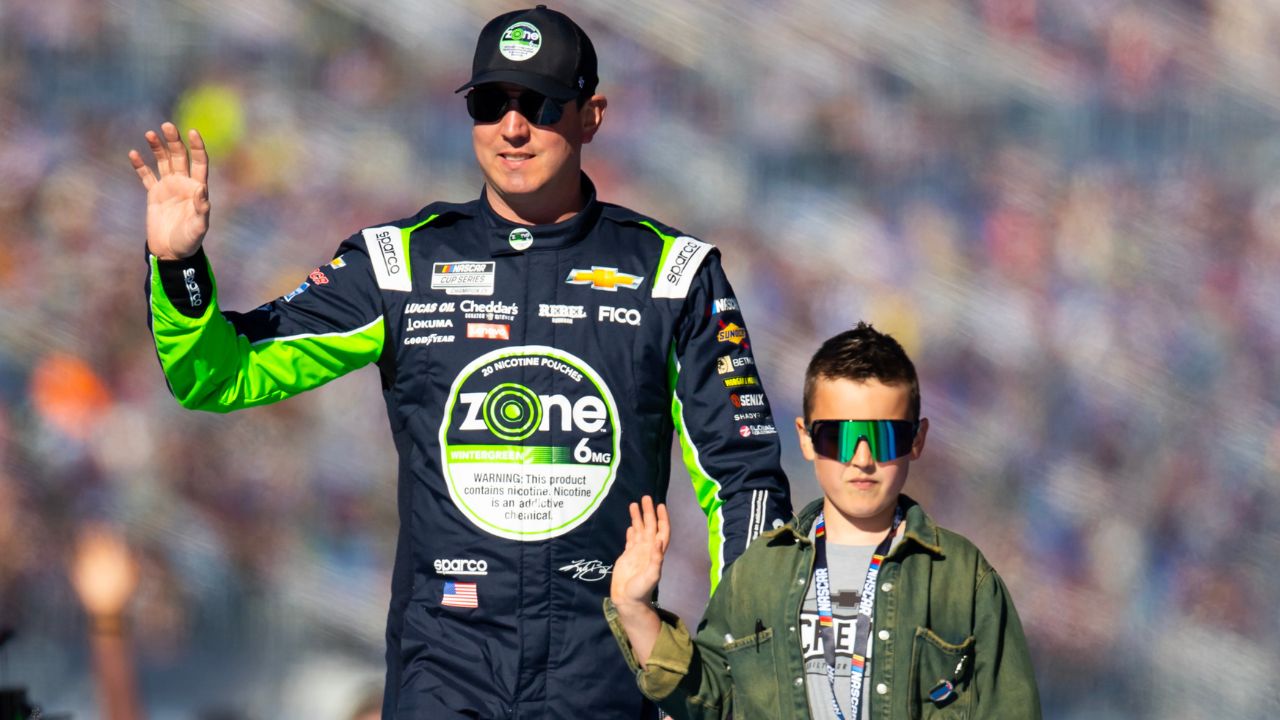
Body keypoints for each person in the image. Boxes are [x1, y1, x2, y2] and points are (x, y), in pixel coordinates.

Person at [130, 5, 791, 718]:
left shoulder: (672, 274)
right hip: (443, 673)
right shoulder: (400, 262)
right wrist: (178, 265)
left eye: (538, 105)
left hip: (603, 676)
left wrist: (737, 669)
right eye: (490, 103)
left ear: (591, 115)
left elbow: (743, 479)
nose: (513, 127)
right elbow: (221, 374)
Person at [606, 322, 1041, 719]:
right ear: (806, 439)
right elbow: (708, 703)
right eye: (840, 436)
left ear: (917, 439)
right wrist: (635, 609)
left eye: (885, 436)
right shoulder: (759, 573)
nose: (863, 459)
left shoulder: (964, 578)